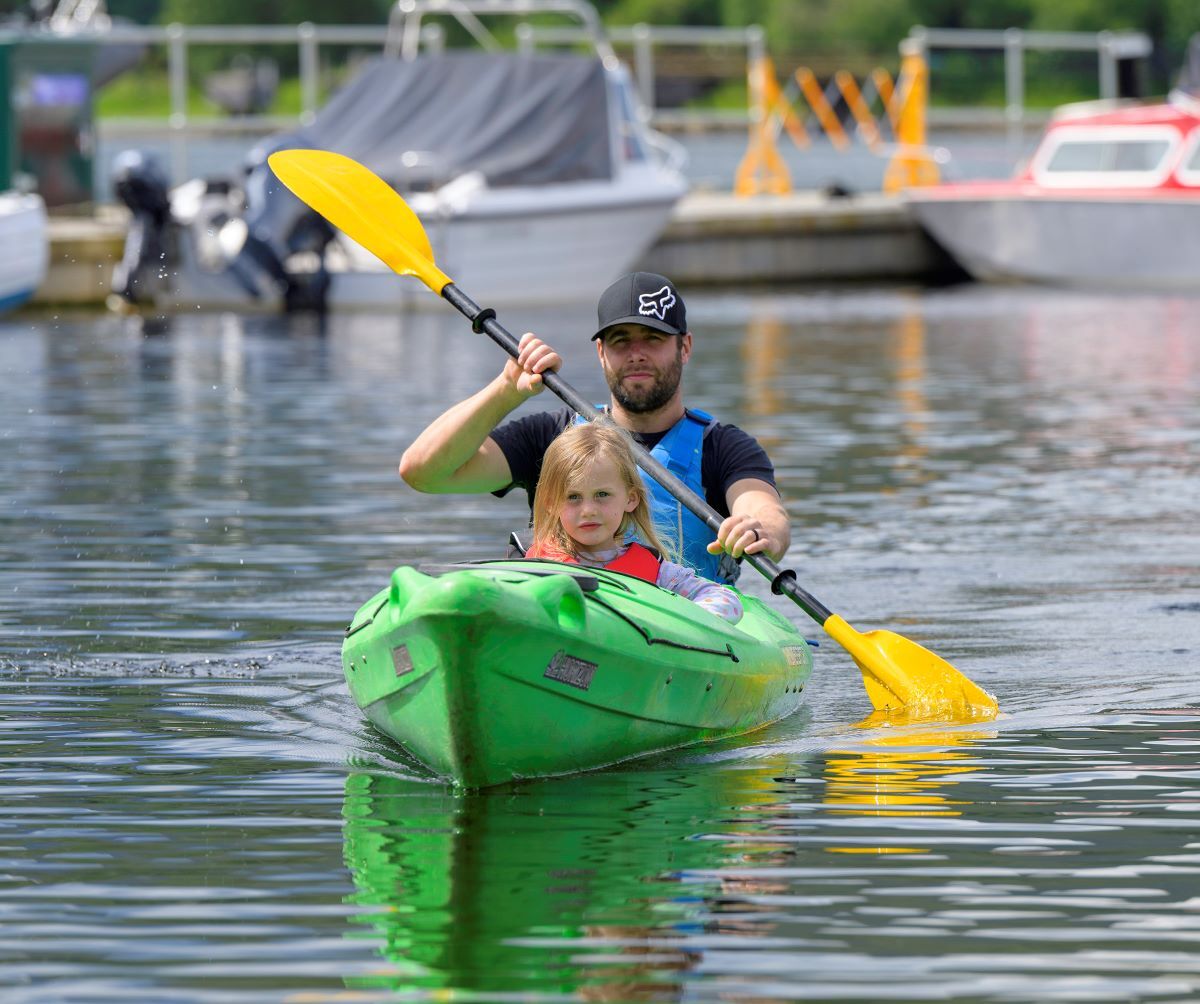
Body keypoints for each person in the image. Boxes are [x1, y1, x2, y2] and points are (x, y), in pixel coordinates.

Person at [399, 271, 790, 584]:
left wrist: (759, 532)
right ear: (601, 353)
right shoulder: (553, 437)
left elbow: (765, 512)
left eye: (653, 339)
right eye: (620, 341)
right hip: (566, 621)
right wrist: (504, 391)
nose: (636, 353)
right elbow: (423, 473)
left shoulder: (723, 447)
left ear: (684, 347)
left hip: (680, 635)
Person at [525, 420, 743, 623]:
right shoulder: (533, 567)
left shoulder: (660, 574)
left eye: (602, 495)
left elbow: (725, 599)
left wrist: (681, 625)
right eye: (573, 497)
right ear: (551, 504)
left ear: (630, 499)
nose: (588, 511)